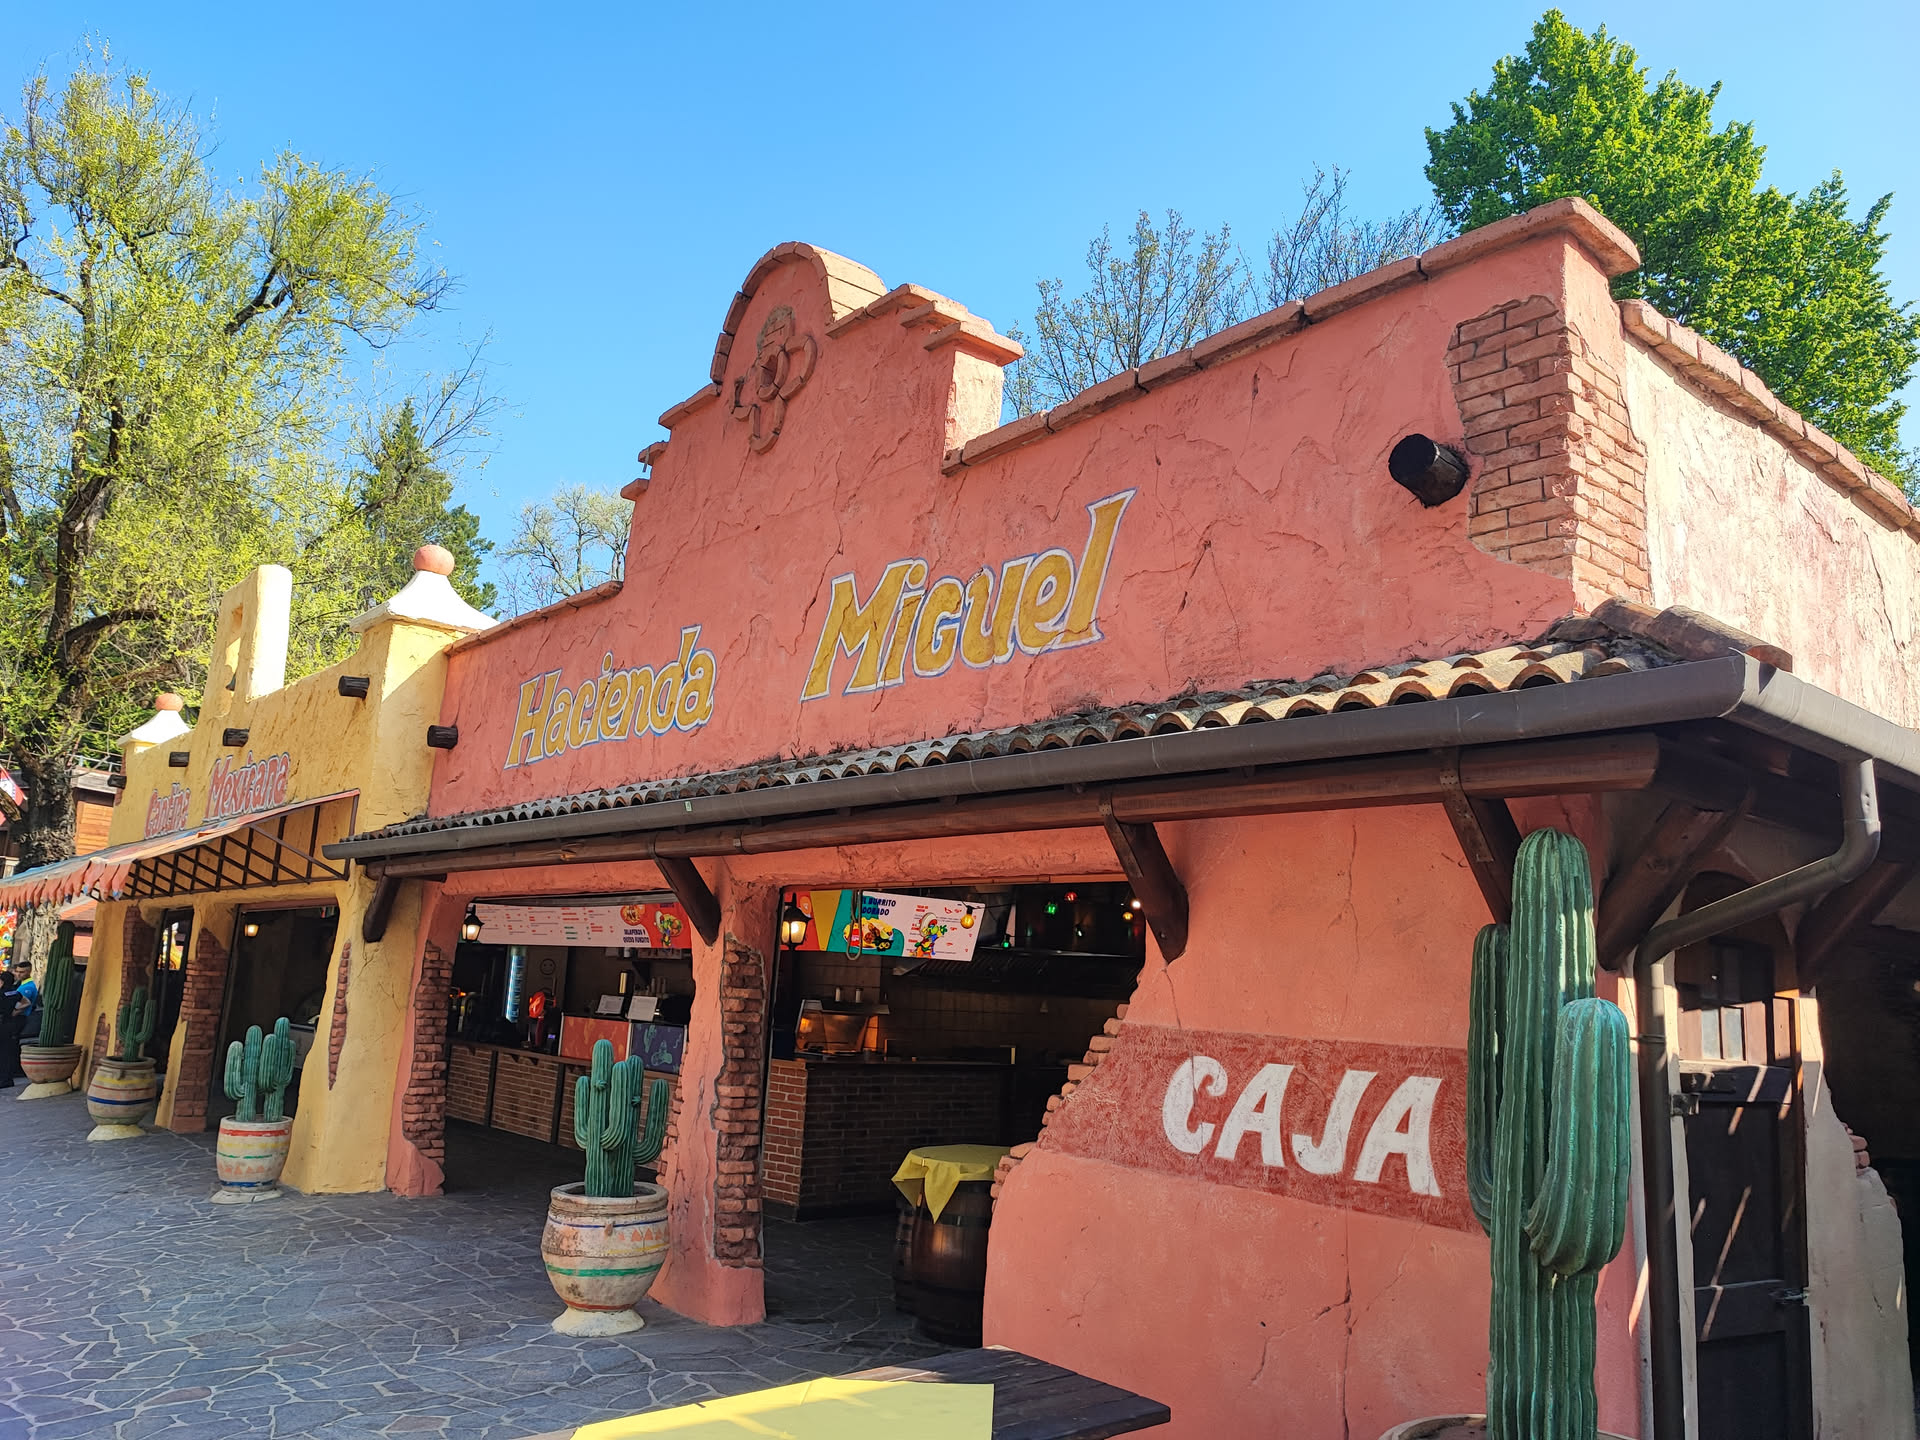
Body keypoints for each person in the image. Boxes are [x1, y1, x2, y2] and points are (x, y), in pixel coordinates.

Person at [0, 971, 21, 1088]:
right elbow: (27, 1002)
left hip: (2, 1023)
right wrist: (15, 1012)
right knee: (7, 1052)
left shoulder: (1, 993)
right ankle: (8, 1079)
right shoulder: (15, 992)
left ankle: (3, 1080)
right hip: (11, 1024)